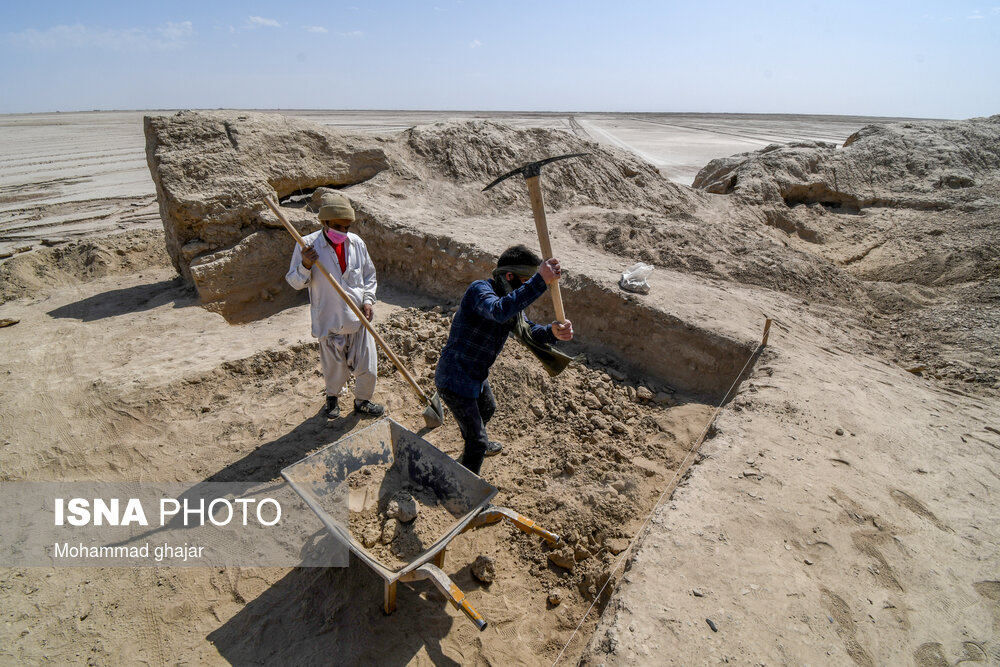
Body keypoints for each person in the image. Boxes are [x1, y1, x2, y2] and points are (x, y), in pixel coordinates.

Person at [435, 244, 574, 475]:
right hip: (454, 378)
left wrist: (552, 331)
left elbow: (527, 331)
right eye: (525, 280)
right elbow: (498, 310)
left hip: (476, 376)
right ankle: (465, 484)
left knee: (488, 408)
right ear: (509, 276)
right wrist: (539, 280)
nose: (527, 286)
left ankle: (474, 438)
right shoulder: (480, 291)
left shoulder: (512, 304)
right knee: (478, 443)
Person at [286, 192, 385, 419]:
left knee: (368, 367)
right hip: (329, 321)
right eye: (338, 227)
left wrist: (368, 300)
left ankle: (363, 401)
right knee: (334, 369)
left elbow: (369, 276)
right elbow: (294, 282)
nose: (343, 232)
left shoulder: (357, 244)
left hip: (358, 319)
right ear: (325, 223)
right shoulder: (308, 246)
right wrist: (305, 264)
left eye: (347, 227)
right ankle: (332, 399)